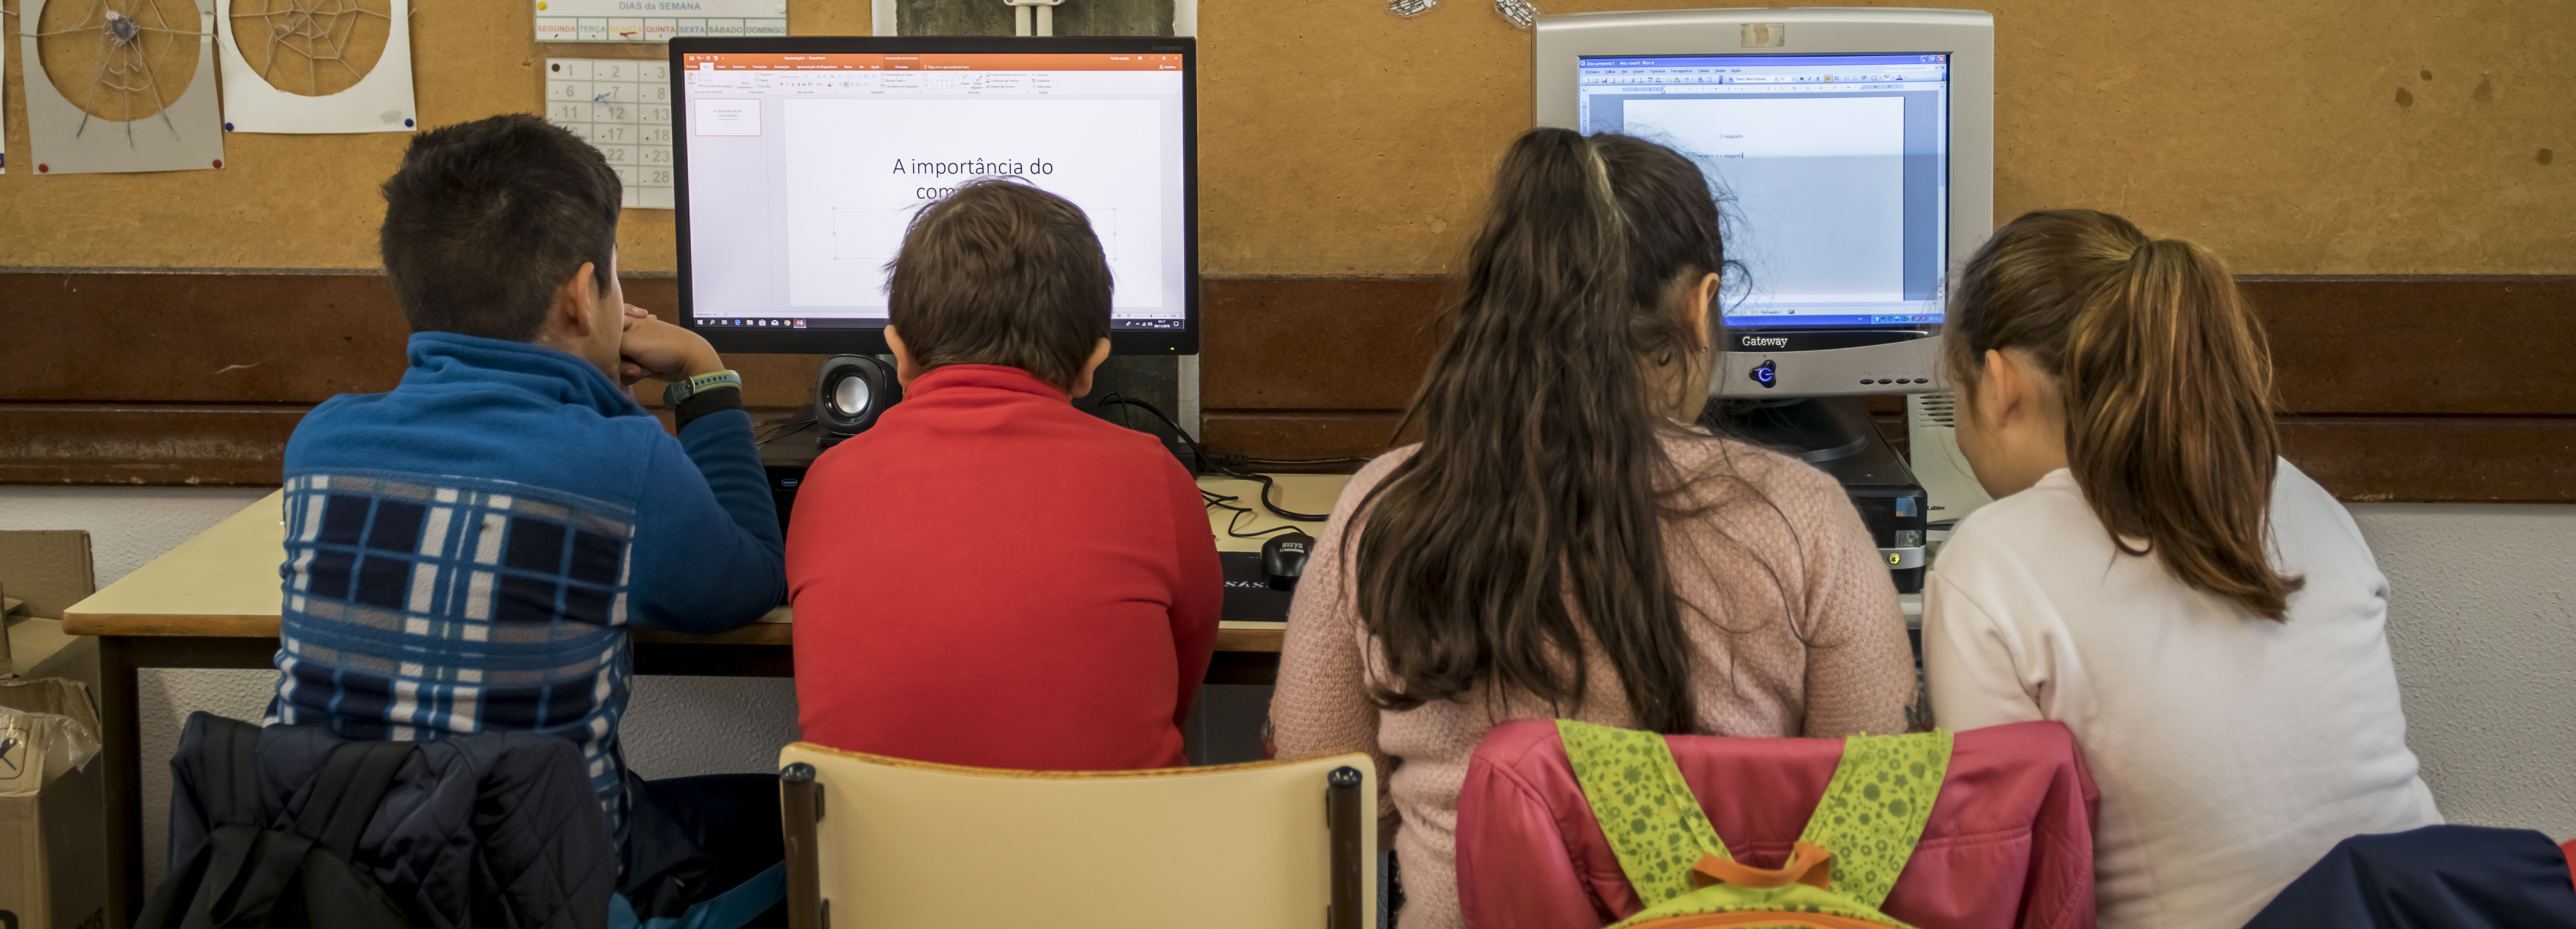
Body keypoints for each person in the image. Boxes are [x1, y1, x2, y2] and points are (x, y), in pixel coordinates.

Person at [1268, 128, 1919, 929]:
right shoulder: (1807, 518)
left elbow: (1328, 807)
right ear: (1700, 306)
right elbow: (1873, 822)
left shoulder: (1384, 509)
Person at [271, 114, 788, 927]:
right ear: (584, 297)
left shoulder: (321, 443)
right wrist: (704, 373)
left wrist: (590, 397)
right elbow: (753, 574)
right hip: (541, 895)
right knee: (801, 815)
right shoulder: (622, 464)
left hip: (341, 883)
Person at [1919, 209, 2442, 929]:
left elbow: (1999, 883)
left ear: (2000, 383)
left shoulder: (1989, 561)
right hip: (2432, 906)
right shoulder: (2296, 493)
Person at [787, 178, 1221, 771]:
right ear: (1094, 362)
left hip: (873, 865)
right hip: (1118, 859)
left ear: (900, 353)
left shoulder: (825, 485)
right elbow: (1177, 694)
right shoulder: (1157, 481)